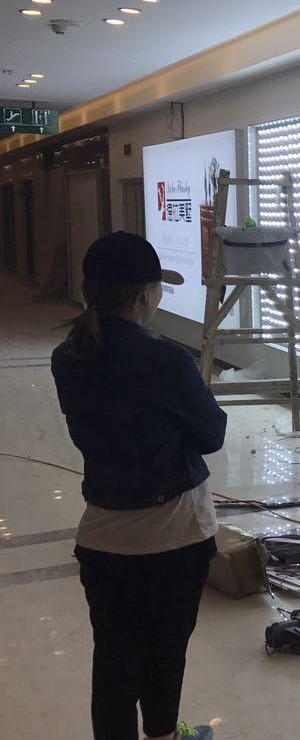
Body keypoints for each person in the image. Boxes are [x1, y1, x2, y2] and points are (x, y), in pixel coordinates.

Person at [50, 232, 225, 740]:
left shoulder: (68, 356)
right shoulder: (166, 359)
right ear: (145, 295)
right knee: (166, 653)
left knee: (113, 663)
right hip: (175, 537)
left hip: (103, 537)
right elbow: (212, 434)